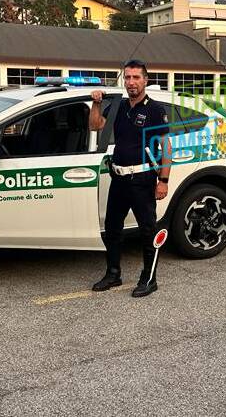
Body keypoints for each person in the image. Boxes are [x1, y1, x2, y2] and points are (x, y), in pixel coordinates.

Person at [88, 59, 172, 297]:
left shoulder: (155, 110)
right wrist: (96, 104)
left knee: (147, 230)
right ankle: (113, 273)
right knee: (113, 228)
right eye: (127, 77)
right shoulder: (118, 107)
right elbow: (96, 126)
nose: (131, 82)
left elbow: (166, 147)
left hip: (143, 179)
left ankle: (149, 278)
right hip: (119, 179)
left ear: (145, 80)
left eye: (136, 77)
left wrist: (163, 180)